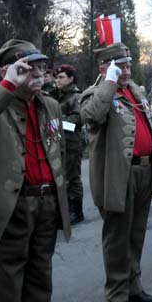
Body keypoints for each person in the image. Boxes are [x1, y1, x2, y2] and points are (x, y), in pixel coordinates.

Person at [0, 39, 71, 302]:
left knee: (39, 285)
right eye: (27, 67)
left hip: (45, 208)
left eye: (41, 66)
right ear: (6, 71)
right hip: (7, 211)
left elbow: (60, 151)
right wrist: (9, 85)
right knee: (1, 290)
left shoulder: (50, 105)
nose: (38, 73)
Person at [80, 42, 152, 302]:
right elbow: (91, 117)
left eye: (127, 65)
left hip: (144, 172)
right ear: (105, 68)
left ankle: (134, 287)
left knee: (137, 233)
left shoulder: (135, 92)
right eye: (120, 67)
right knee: (117, 239)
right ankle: (117, 294)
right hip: (118, 176)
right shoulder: (95, 94)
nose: (126, 71)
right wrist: (109, 83)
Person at [54, 64, 85, 225]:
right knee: (63, 176)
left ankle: (76, 211)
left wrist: (56, 123)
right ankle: (66, 210)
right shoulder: (60, 96)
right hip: (60, 142)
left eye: (61, 77)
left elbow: (77, 121)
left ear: (71, 78)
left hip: (73, 142)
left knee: (72, 177)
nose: (57, 80)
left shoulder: (75, 97)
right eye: (56, 77)